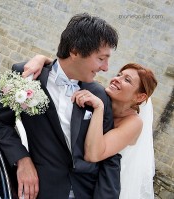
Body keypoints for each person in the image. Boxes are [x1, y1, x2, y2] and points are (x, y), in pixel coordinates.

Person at [0, 13, 121, 199]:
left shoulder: (100, 95)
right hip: (42, 189)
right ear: (75, 51)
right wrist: (22, 159)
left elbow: (110, 157)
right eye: (101, 59)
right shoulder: (26, 76)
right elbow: (1, 124)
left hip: (87, 191)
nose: (106, 68)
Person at [24, 57, 157, 198]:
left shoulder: (134, 123)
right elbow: (66, 70)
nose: (117, 79)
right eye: (119, 74)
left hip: (102, 181)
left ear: (140, 97)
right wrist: (41, 59)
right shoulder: (100, 93)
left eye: (127, 80)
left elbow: (93, 154)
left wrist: (99, 108)